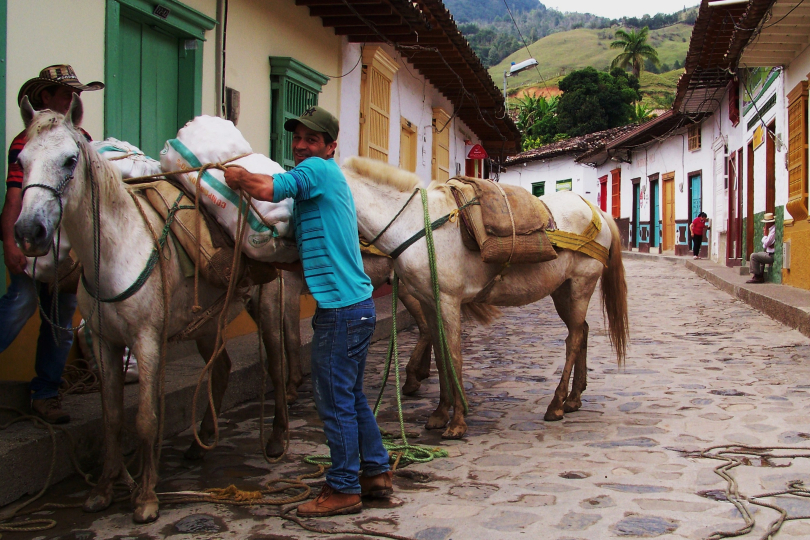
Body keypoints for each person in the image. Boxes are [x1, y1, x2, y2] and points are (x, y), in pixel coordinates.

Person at [224, 106, 392, 517]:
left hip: (341, 312)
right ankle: (375, 472)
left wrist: (234, 177)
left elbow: (267, 189)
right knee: (349, 396)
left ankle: (343, 488)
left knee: (332, 399)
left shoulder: (318, 171)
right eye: (297, 138)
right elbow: (305, 255)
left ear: (330, 147)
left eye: (311, 139)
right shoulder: (314, 192)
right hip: (354, 308)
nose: (300, 146)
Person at [0, 65, 103, 424]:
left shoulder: (82, 139)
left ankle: (45, 394)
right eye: (65, 94)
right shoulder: (28, 139)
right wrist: (10, 242)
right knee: (19, 306)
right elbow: (17, 193)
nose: (72, 101)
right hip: (33, 241)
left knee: (60, 321)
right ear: (45, 97)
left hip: (66, 253)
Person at [746, 212, 776, 284]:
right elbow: (766, 245)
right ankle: (760, 275)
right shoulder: (771, 230)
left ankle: (757, 276)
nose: (765, 225)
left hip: (772, 255)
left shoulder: (773, 231)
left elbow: (765, 244)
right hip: (769, 253)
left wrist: (765, 235)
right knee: (759, 254)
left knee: (753, 256)